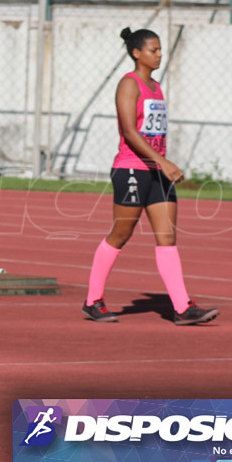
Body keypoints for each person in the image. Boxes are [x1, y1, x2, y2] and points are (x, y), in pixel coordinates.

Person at [81, 27, 219, 326]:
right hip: (132, 169)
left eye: (159, 49)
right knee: (121, 234)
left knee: (167, 238)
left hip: (157, 172)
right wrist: (161, 160)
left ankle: (182, 307)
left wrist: (160, 164)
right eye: (153, 50)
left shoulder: (156, 87)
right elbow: (130, 132)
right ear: (136, 53)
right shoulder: (128, 85)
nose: (159, 54)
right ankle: (93, 300)